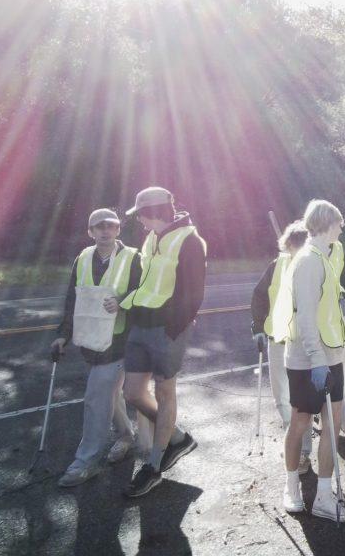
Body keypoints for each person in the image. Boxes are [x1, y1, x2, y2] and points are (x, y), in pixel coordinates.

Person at [119, 187, 207, 498]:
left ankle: (154, 466)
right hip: (141, 324)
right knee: (132, 392)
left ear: (154, 210)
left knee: (164, 391)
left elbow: (194, 293)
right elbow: (146, 281)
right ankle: (179, 438)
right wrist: (127, 304)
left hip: (167, 330)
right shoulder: (152, 238)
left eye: (140, 213)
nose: (139, 219)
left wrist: (173, 328)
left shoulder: (190, 240)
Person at [274, 199, 345, 522]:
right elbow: (306, 316)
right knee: (300, 422)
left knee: (332, 427)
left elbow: (328, 308)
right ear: (327, 223)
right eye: (339, 222)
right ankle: (291, 486)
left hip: (331, 353)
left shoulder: (325, 256)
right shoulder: (309, 260)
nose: (342, 227)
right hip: (308, 359)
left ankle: (324, 496)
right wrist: (316, 360)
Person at [50, 208, 146, 487]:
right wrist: (62, 336)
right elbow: (73, 300)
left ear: (118, 230)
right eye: (99, 226)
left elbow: (146, 292)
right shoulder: (82, 258)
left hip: (120, 343)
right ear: (90, 232)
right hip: (91, 342)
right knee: (110, 394)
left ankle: (86, 462)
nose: (105, 230)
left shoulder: (134, 258)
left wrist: (124, 301)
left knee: (96, 398)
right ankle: (127, 436)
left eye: (111, 226)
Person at [250, 220, 313, 473]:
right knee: (283, 398)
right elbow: (259, 295)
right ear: (287, 244)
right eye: (292, 244)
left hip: (303, 343)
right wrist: (257, 327)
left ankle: (303, 452)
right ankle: (293, 442)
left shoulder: (315, 266)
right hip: (277, 340)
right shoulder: (276, 266)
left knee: (300, 400)